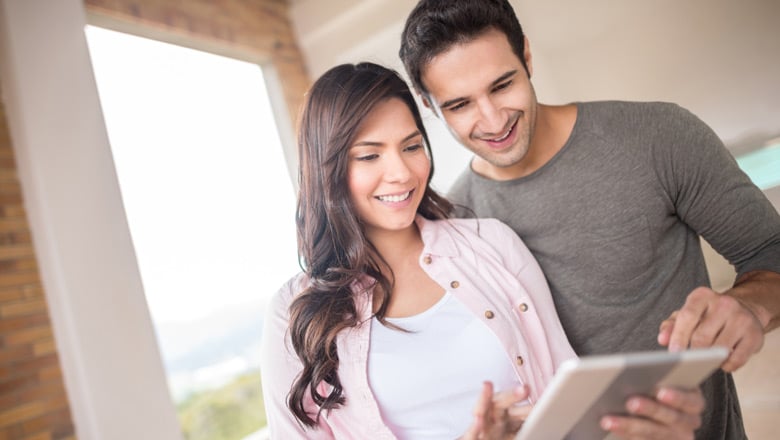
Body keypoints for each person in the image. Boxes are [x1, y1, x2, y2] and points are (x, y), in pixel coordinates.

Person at [261, 62, 707, 440]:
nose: (400, 172)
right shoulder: (295, 311)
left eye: (412, 146)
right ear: (328, 169)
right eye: (369, 155)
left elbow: (563, 388)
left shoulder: (491, 243)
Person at [398, 1, 780, 439]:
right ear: (428, 105)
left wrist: (751, 306)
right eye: (460, 104)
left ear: (526, 56)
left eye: (502, 85)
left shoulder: (658, 137)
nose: (493, 119)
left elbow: (770, 251)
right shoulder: (452, 227)